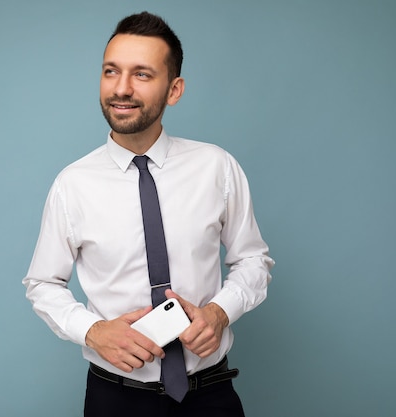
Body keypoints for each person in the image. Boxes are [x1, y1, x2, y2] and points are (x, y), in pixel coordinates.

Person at [23, 11, 274, 417]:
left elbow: (252, 260)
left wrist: (220, 311)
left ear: (174, 89)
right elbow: (42, 282)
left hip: (210, 395)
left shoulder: (216, 167)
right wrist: (92, 331)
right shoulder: (73, 184)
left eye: (141, 74)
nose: (121, 89)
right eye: (111, 71)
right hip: (115, 399)